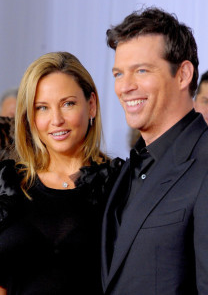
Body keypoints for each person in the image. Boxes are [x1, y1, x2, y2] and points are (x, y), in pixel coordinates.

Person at [101, 7, 208, 295]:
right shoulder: (127, 168)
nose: (125, 86)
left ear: (183, 74)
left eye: (141, 70)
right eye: (118, 73)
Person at [0, 51, 124, 295]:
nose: (56, 119)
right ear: (30, 117)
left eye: (68, 103)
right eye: (42, 108)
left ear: (91, 105)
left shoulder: (118, 183)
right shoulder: (8, 182)